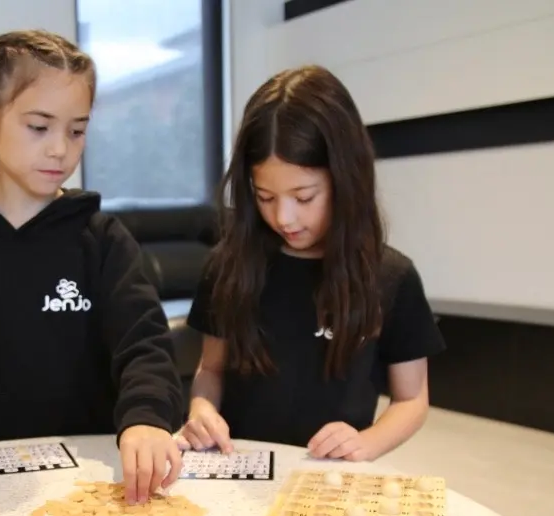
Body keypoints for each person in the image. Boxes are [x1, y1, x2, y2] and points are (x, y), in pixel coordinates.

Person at [0, 30, 184, 503]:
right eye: (39, 127)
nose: (60, 148)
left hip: (91, 484)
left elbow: (145, 345)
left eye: (77, 130)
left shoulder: (103, 241)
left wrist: (146, 418)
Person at [179, 65, 445, 461]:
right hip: (238, 466)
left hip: (330, 479)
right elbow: (211, 371)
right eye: (266, 197)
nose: (284, 218)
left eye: (303, 198)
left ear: (345, 178)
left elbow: (411, 399)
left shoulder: (390, 278)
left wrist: (366, 442)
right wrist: (201, 409)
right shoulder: (228, 267)